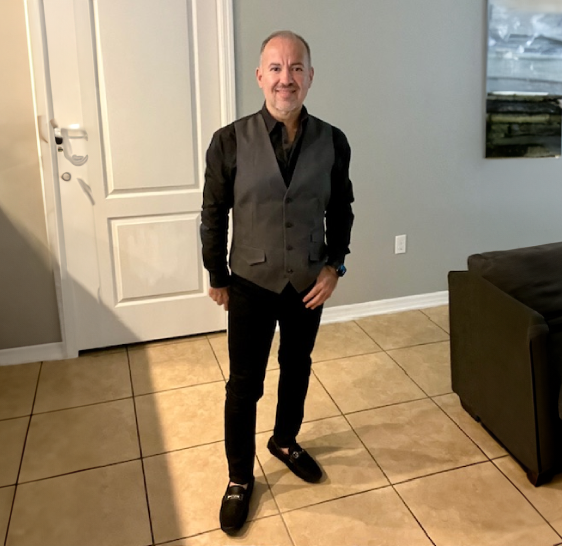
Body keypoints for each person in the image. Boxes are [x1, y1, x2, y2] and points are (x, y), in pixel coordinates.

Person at [200, 29, 354, 535]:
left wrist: (334, 266)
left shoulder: (333, 140)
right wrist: (216, 273)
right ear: (260, 76)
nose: (285, 78)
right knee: (244, 385)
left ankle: (285, 440)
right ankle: (240, 478)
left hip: (308, 282)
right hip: (249, 281)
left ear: (309, 77)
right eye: (275, 68)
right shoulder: (229, 140)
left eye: (295, 68)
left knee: (298, 366)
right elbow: (214, 213)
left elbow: (340, 209)